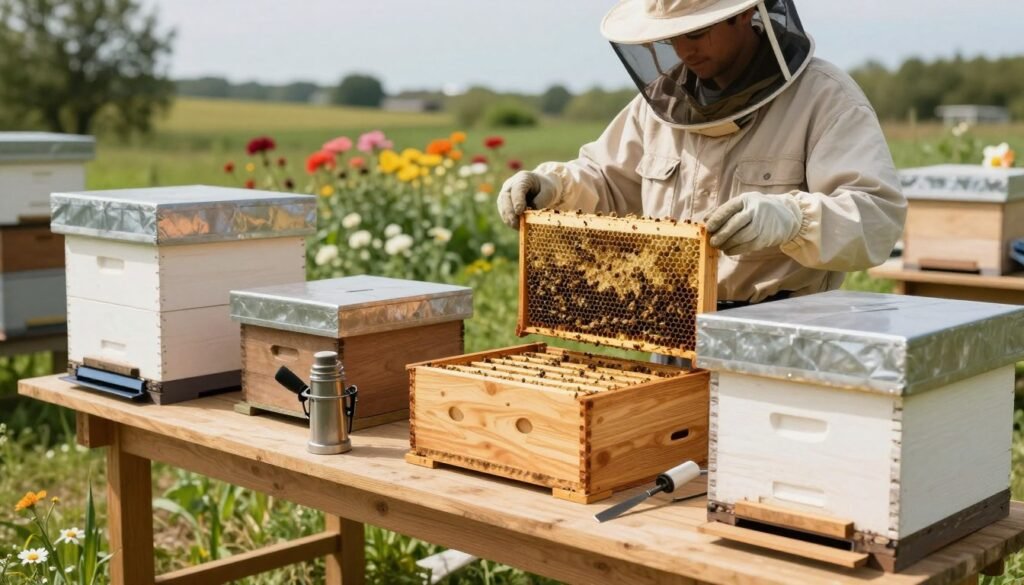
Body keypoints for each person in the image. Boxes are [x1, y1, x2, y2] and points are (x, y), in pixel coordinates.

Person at [498, 0, 906, 311]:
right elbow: (606, 181)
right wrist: (552, 187)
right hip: (670, 324)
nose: (682, 50)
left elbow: (875, 219)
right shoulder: (661, 104)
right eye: (670, 38)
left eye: (694, 34)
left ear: (743, 15)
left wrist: (793, 220)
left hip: (783, 331)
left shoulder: (825, 98)